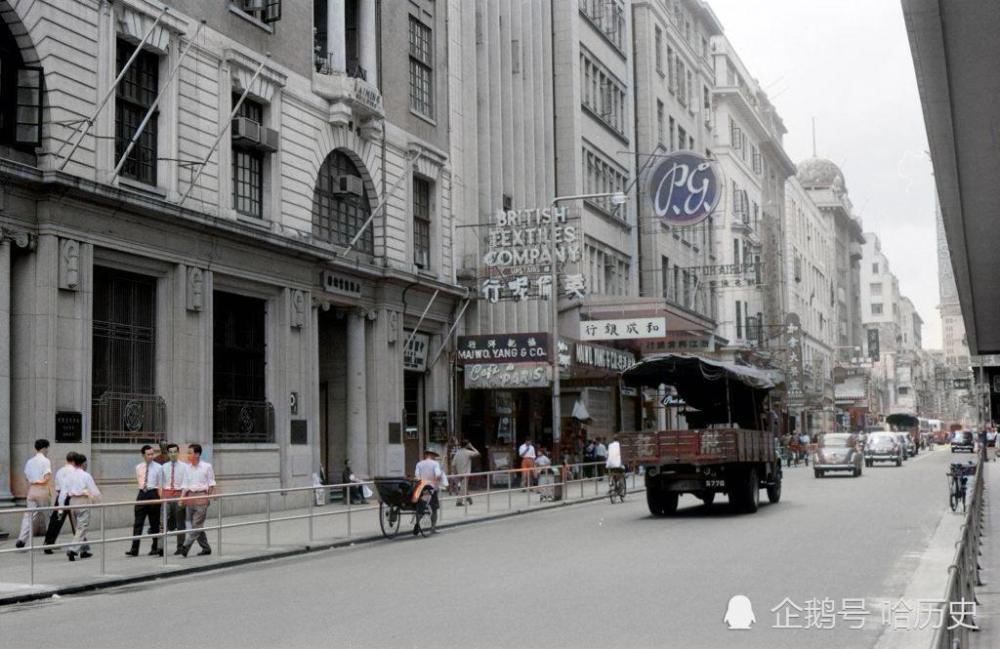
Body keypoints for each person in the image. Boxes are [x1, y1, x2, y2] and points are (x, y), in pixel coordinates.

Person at [178, 444, 216, 557]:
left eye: (190, 452)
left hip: (201, 496)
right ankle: (206, 548)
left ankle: (185, 546)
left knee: (197, 523)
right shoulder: (187, 468)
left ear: (197, 454)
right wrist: (182, 498)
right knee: (194, 525)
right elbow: (185, 485)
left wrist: (208, 497)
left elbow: (211, 483)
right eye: (188, 452)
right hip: (190, 497)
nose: (188, 455)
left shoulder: (206, 466)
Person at [127, 445, 163, 557]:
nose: (151, 456)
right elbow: (140, 481)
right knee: (138, 523)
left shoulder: (158, 467)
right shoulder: (138, 467)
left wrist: (160, 499)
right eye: (148, 454)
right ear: (143, 455)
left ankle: (155, 547)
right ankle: (134, 549)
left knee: (154, 523)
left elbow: (160, 484)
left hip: (153, 493)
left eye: (152, 454)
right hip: (142, 493)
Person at [16, 439, 53, 549]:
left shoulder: (29, 461)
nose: (48, 451)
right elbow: (46, 477)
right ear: (44, 448)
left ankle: (21, 539)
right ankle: (49, 541)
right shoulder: (45, 461)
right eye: (47, 448)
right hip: (42, 490)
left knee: (28, 516)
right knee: (47, 516)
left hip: (32, 490)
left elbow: (27, 477)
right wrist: (39, 481)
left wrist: (34, 481)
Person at [64, 453, 100, 562]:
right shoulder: (86, 475)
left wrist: (61, 507)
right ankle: (73, 549)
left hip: (72, 501)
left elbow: (64, 492)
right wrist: (98, 501)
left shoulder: (68, 475)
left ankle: (84, 550)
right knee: (82, 527)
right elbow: (94, 491)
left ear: (74, 463)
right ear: (84, 463)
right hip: (83, 501)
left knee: (78, 528)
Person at [43, 451, 79, 554]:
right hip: (71, 498)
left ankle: (48, 543)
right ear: (75, 461)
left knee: (55, 521)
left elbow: (57, 487)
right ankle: (81, 545)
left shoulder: (60, 471)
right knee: (77, 522)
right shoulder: (75, 471)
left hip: (60, 499)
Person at [159, 443, 189, 555]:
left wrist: (182, 498)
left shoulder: (185, 467)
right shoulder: (163, 467)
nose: (173, 454)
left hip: (179, 495)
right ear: (167, 453)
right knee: (163, 522)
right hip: (166, 496)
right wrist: (162, 498)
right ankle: (161, 547)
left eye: (175, 452)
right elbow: (161, 484)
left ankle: (180, 547)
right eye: (170, 452)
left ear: (178, 452)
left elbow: (186, 483)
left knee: (180, 522)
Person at [413, 449, 446, 534]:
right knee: (434, 508)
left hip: (421, 488)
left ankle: (417, 523)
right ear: (432, 455)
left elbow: (417, 476)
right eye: (434, 455)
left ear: (425, 455)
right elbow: (438, 474)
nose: (435, 457)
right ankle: (433, 528)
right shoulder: (435, 464)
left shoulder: (419, 464)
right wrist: (434, 482)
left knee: (421, 506)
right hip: (431, 488)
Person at [450, 440, 480, 505]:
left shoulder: (457, 453)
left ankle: (468, 497)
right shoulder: (468, 452)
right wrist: (471, 447)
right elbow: (478, 453)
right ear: (467, 445)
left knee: (463, 487)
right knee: (463, 487)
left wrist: (454, 472)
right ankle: (459, 501)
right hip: (466, 473)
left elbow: (453, 464)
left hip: (459, 473)